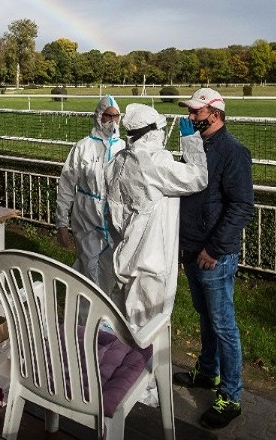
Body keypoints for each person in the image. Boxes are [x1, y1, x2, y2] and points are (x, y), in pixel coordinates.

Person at [174, 88, 254, 429]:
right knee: (205, 317)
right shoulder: (195, 147)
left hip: (213, 255)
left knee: (223, 324)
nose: (191, 118)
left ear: (216, 114)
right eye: (190, 113)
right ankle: (208, 372)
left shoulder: (234, 152)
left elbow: (241, 206)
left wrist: (214, 249)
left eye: (196, 113)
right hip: (192, 250)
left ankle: (231, 396)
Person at [104, 103, 208, 328]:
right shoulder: (156, 162)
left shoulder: (118, 161)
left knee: (123, 322)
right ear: (151, 132)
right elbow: (198, 178)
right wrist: (191, 142)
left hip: (125, 256)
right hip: (152, 263)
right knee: (146, 331)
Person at [55, 95, 125, 298]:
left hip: (114, 219)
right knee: (89, 263)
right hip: (87, 217)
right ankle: (86, 315)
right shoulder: (83, 147)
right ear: (98, 117)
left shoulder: (124, 149)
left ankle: (102, 310)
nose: (112, 121)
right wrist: (61, 222)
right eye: (107, 116)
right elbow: (67, 184)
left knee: (112, 266)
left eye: (116, 116)